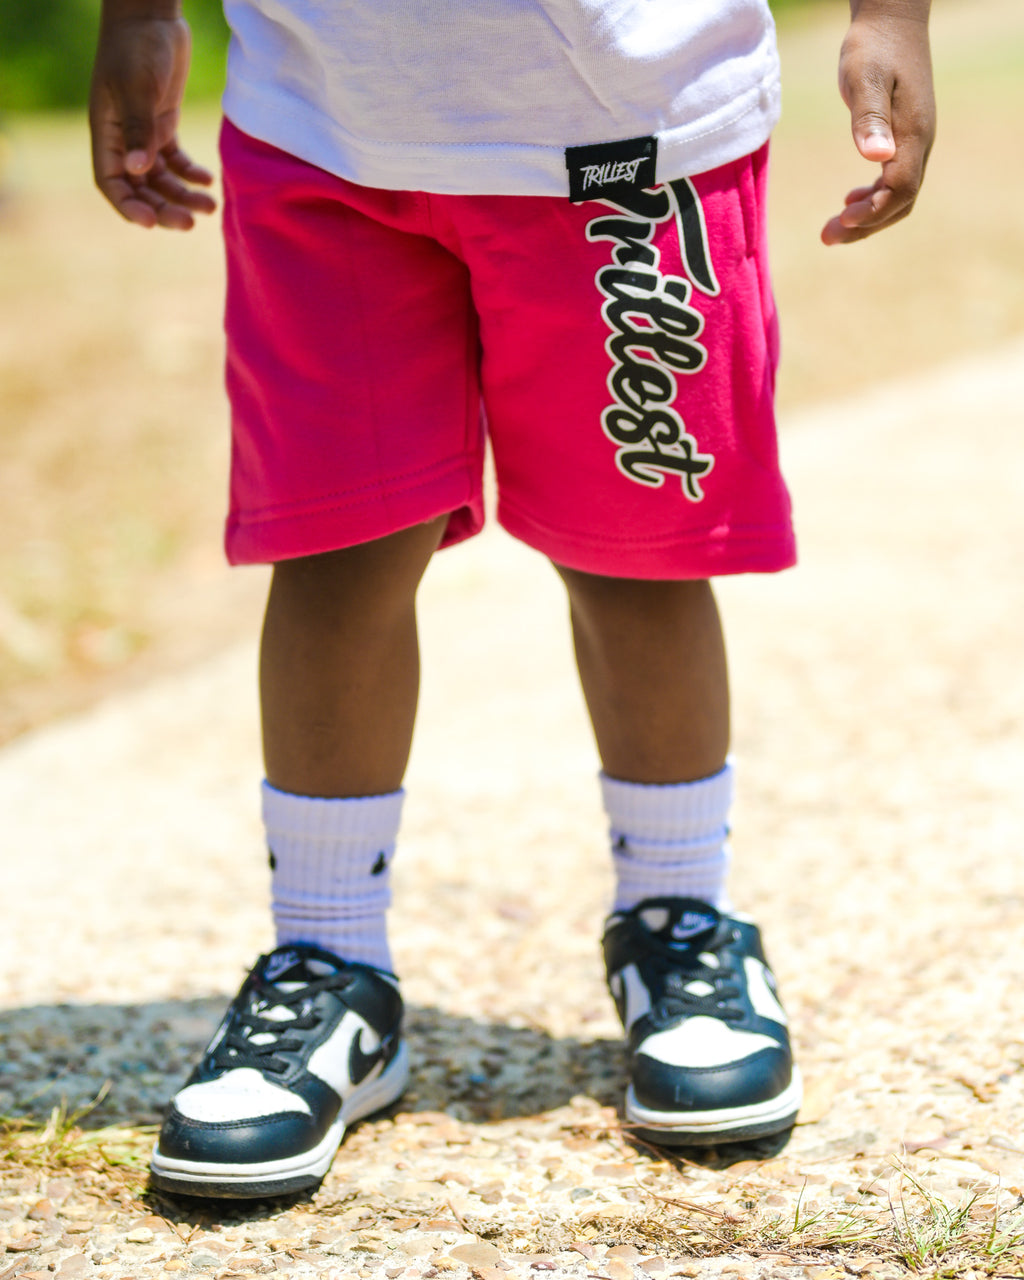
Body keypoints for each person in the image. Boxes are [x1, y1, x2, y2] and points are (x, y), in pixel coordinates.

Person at [89, 0, 935, 1199]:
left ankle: (677, 922)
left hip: (633, 123)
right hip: (325, 120)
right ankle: (329, 961)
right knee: (338, 542)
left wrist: (889, 16)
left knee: (636, 549)